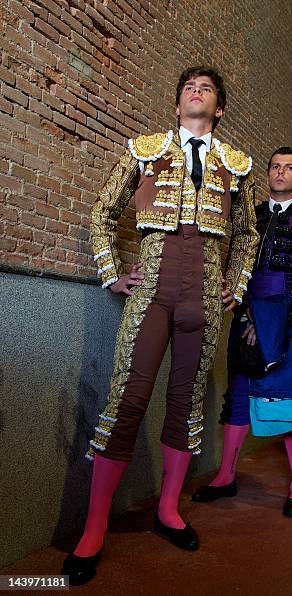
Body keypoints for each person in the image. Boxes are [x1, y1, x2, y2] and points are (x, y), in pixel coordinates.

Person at [61, 67, 259, 584]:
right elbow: (102, 211)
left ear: (218, 108)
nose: (196, 92)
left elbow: (248, 234)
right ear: (177, 105)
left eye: (207, 89)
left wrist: (234, 288)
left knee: (188, 400)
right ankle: (95, 525)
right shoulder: (144, 149)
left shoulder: (236, 166)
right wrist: (110, 272)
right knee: (127, 398)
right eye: (188, 88)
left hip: (203, 299)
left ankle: (168, 509)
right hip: (151, 291)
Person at [192, 147, 292, 518]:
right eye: (275, 167)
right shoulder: (248, 216)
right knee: (237, 396)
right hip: (244, 317)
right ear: (268, 174)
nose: (281, 172)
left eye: (289, 168)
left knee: (291, 404)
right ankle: (226, 476)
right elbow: (233, 264)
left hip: (287, 320)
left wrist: (269, 319)